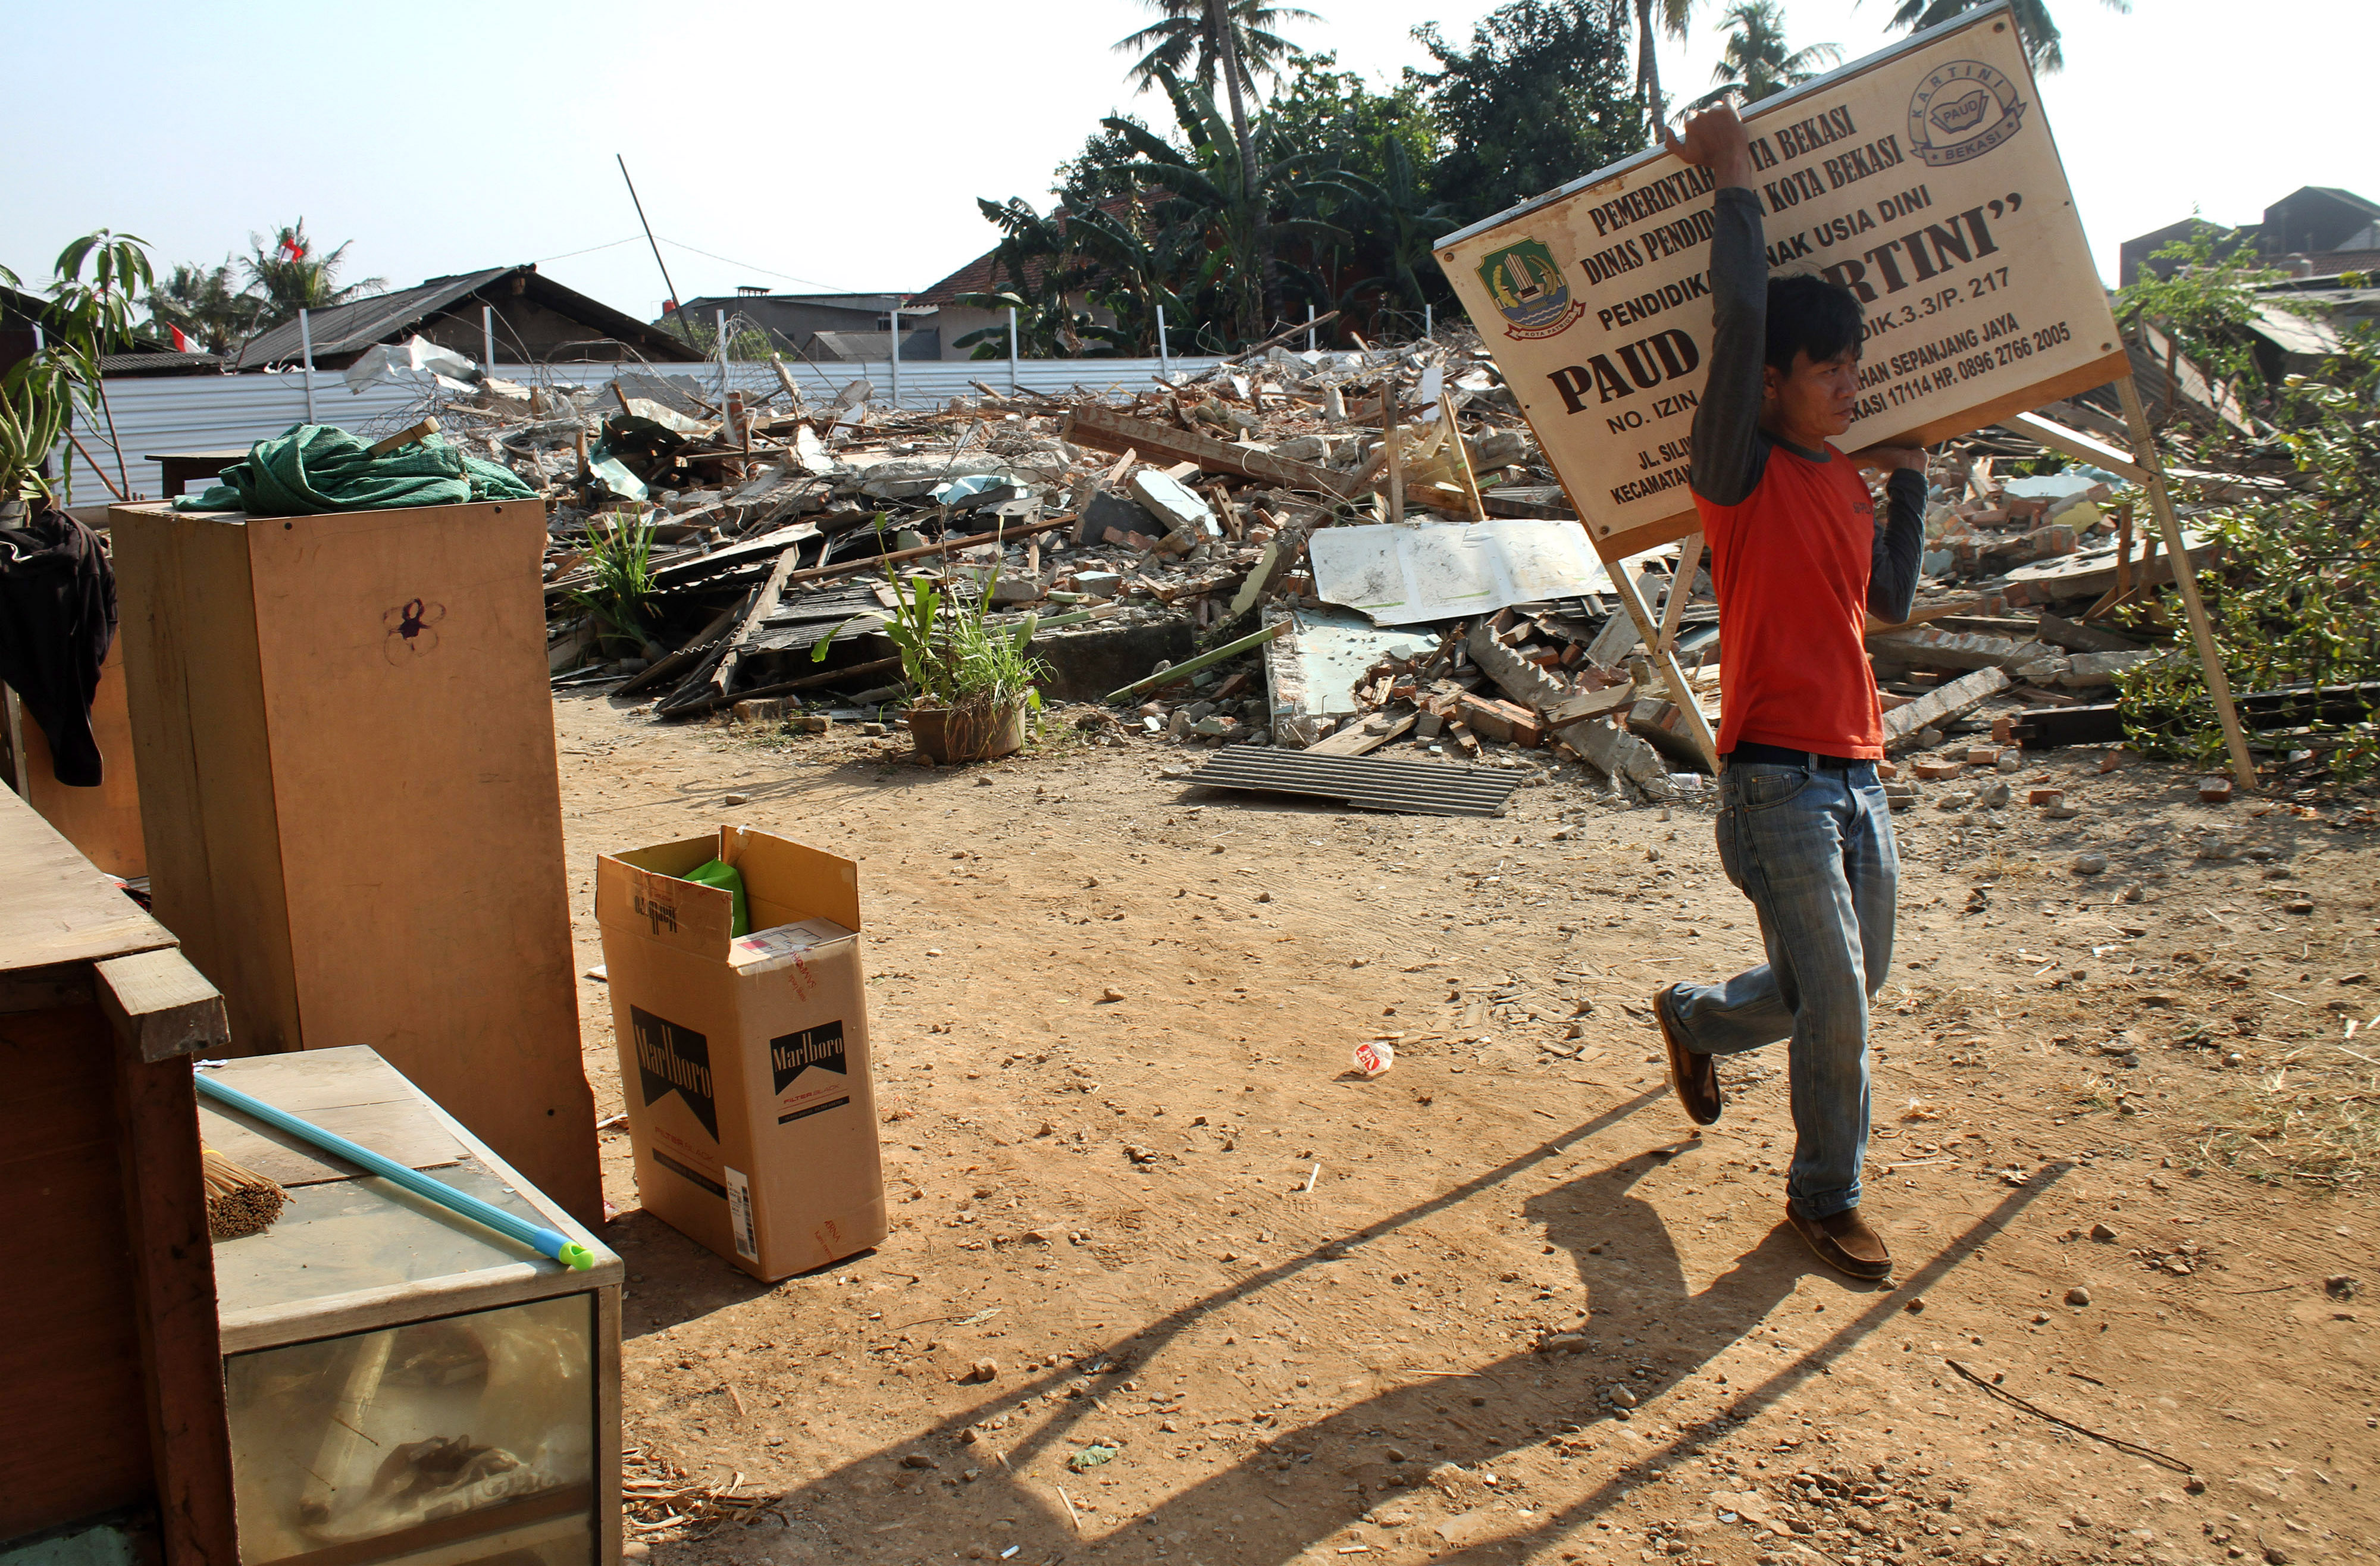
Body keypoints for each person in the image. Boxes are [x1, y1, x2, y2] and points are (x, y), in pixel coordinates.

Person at [1650, 103, 1928, 1282]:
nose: (1849, 385)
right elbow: (1741, 316)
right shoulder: (1739, 470)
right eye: (1829, 369)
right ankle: (1825, 1196)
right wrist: (1733, 175)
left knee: (1847, 984)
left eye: (1855, 366)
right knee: (1840, 1001)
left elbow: (1888, 604)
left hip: (1859, 776)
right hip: (1774, 782)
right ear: (1772, 384)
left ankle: (1697, 1018)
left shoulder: (1844, 483)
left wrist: (1909, 481)